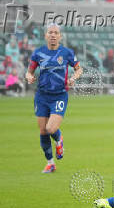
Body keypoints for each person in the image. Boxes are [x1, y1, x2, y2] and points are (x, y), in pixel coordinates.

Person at [25, 23, 82, 173]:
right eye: (50, 32)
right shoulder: (38, 53)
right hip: (42, 96)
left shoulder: (67, 52)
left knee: (51, 128)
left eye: (56, 33)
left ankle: (59, 138)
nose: (52, 35)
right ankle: (50, 163)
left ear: (60, 36)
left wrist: (74, 77)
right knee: (43, 131)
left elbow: (78, 68)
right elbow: (29, 71)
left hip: (59, 95)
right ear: (45, 35)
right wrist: (29, 77)